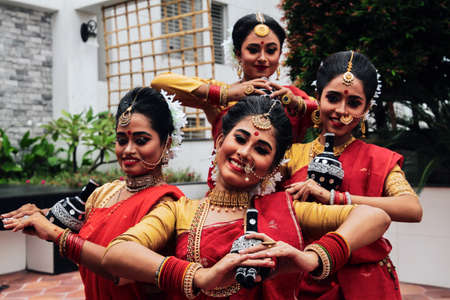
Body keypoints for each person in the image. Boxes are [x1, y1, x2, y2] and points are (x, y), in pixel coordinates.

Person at [101, 96, 391, 299]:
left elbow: (375, 216)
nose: (244, 152)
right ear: (220, 142)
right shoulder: (181, 210)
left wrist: (310, 258)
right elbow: (117, 253)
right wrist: (200, 276)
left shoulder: (284, 210)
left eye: (261, 149)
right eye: (239, 139)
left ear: (273, 169)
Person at [2, 87, 186, 300]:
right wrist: (39, 216)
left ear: (166, 144)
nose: (128, 150)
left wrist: (54, 233)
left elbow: (119, 269)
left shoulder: (166, 204)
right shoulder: (106, 192)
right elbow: (75, 223)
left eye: (141, 140)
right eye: (121, 140)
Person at [282, 51, 423, 299]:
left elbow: (411, 208)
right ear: (318, 97)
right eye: (333, 98)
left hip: (366, 284)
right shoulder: (291, 156)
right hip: (302, 278)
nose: (341, 110)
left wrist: (336, 198)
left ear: (367, 108)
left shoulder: (378, 159)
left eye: (354, 103)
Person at [151, 12, 317, 188]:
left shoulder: (290, 95)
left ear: (279, 55)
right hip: (223, 193)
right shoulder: (222, 94)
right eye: (253, 50)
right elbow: (159, 83)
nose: (262, 57)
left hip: (277, 196)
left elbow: (330, 114)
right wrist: (226, 94)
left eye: (271, 50)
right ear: (238, 54)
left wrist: (296, 104)